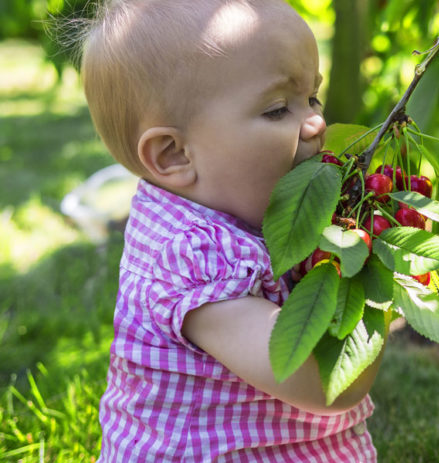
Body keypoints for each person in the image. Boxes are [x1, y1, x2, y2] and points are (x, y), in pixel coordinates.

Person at [79, 0, 383, 460]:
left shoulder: (242, 210)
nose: (317, 123)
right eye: (280, 108)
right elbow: (328, 378)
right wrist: (377, 272)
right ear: (174, 155)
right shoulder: (193, 256)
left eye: (313, 98)